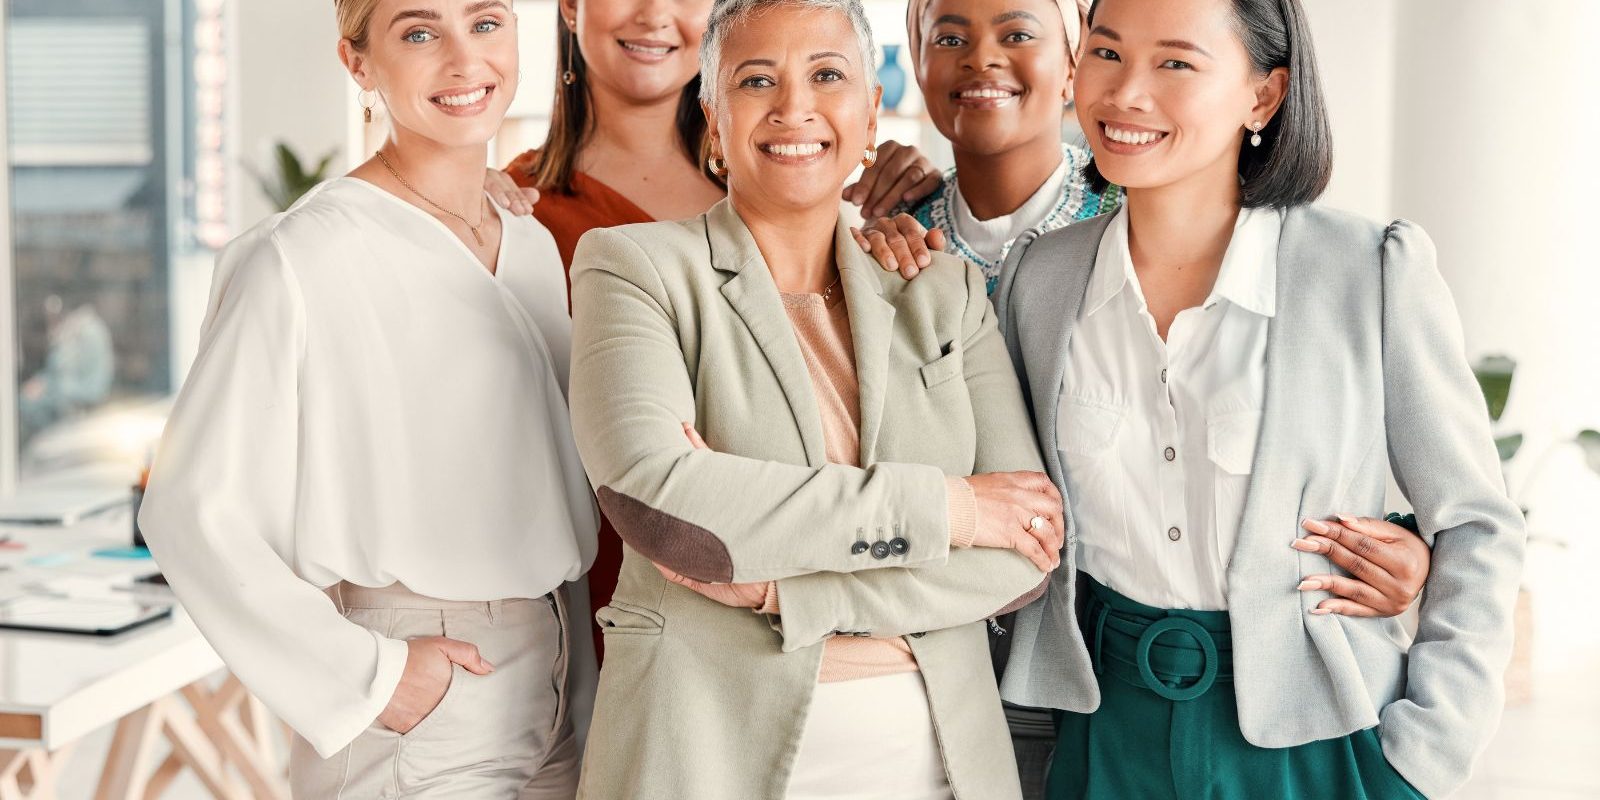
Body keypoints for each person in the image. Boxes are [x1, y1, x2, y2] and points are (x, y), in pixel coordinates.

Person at [993, 0, 1525, 798]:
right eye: (1106, 53)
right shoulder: (1039, 281)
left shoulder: (1367, 271)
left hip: (1323, 746)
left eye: (1175, 62)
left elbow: (1478, 524)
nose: (1126, 92)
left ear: (1264, 97)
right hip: (1105, 739)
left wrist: (1422, 760)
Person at [565, 1, 1067, 797]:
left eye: (827, 76)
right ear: (712, 117)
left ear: (869, 112)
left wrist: (780, 588)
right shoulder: (635, 268)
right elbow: (659, 498)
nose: (793, 108)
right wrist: (952, 510)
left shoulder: (942, 286)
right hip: (704, 750)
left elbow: (1026, 547)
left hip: (940, 759)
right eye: (756, 80)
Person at [139, 0, 600, 795]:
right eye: (419, 33)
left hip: (563, 661)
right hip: (425, 676)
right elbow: (188, 509)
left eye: (485, 23)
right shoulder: (300, 256)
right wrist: (373, 677)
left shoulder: (524, 238)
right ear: (358, 64)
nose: (464, 60)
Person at [486, 0, 948, 662]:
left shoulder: (800, 186)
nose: (654, 15)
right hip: (612, 603)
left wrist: (905, 217)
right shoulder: (515, 212)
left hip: (811, 601)